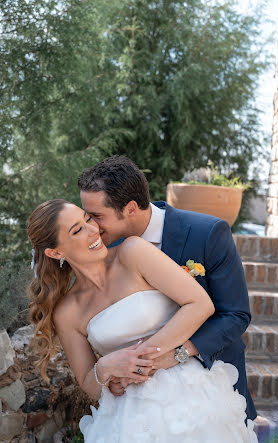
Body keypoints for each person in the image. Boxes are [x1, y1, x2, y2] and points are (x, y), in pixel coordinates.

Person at [27, 199, 257, 442]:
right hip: (128, 416)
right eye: (77, 230)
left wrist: (143, 358)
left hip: (191, 394)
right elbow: (88, 382)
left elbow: (200, 304)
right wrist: (105, 368)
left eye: (87, 219)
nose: (93, 230)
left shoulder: (132, 252)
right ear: (55, 252)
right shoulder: (67, 312)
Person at [78, 155, 257, 421]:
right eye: (86, 215)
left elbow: (235, 314)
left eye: (96, 216)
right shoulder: (105, 249)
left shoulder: (207, 233)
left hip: (214, 389)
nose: (91, 226)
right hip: (138, 406)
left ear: (129, 209)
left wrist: (179, 353)